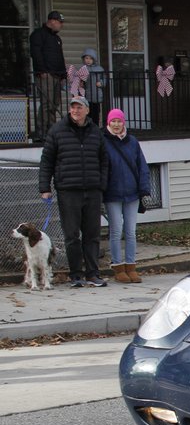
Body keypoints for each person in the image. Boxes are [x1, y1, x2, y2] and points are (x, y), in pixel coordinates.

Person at [38, 95, 109, 287]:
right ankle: (76, 275)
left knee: (92, 234)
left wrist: (101, 184)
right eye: (73, 108)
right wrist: (45, 187)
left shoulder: (96, 132)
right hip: (68, 191)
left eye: (79, 108)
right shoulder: (57, 130)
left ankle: (93, 274)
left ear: (87, 110)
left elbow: (104, 160)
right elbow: (47, 161)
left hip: (92, 191)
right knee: (71, 236)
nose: (75, 111)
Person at [103, 108, 150, 283]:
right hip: (112, 193)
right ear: (108, 123)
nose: (116, 124)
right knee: (115, 231)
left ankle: (131, 266)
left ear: (124, 123)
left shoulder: (132, 142)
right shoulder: (104, 141)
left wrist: (144, 189)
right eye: (113, 121)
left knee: (131, 232)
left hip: (132, 192)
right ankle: (117, 267)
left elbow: (142, 166)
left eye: (119, 121)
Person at [30, 11, 67, 141]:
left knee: (54, 104)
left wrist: (63, 76)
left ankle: (51, 131)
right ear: (52, 21)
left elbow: (60, 58)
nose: (61, 25)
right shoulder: (38, 34)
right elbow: (36, 53)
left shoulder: (57, 39)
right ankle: (41, 132)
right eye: (60, 22)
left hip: (57, 75)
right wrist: (42, 71)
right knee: (47, 103)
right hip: (46, 75)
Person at [80, 48, 105, 127]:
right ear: (83, 59)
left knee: (96, 114)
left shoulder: (99, 69)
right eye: (86, 58)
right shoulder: (83, 69)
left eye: (90, 58)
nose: (88, 60)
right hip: (86, 96)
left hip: (96, 95)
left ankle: (95, 128)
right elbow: (79, 80)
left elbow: (104, 78)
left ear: (94, 59)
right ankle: (87, 129)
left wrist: (101, 83)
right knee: (87, 114)